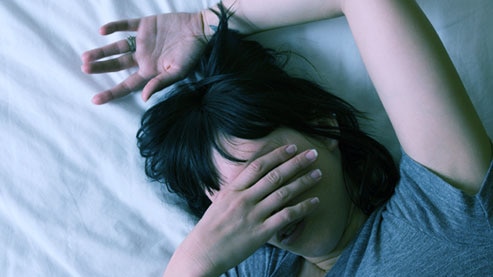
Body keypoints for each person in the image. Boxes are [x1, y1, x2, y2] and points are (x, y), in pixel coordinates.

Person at [81, 0, 493, 276]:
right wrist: (195, 262)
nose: (267, 208)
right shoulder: (247, 264)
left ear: (323, 126)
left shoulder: (438, 216)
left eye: (268, 172)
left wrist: (206, 23)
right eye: (234, 199)